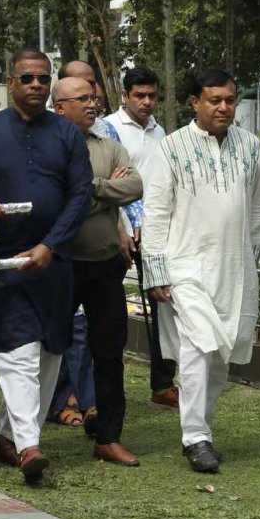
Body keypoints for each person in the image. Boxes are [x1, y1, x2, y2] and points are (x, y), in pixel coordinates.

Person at [0, 48, 92, 485]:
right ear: (11, 82)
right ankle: (30, 447)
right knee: (18, 354)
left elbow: (81, 195)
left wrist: (51, 245)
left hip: (55, 261)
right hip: (6, 261)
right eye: (27, 78)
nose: (35, 84)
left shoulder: (67, 134)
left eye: (42, 78)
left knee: (51, 351)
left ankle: (7, 438)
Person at [142, 70, 260, 473]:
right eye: (214, 100)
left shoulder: (250, 146)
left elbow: (258, 208)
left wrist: (249, 260)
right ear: (195, 102)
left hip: (234, 270)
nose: (223, 107)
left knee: (221, 354)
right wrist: (156, 271)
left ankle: (202, 431)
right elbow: (156, 213)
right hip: (186, 267)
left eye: (230, 100)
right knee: (197, 348)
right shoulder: (172, 146)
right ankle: (195, 438)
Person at [52, 77, 143, 467]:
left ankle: (108, 437)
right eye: (83, 98)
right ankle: (25, 433)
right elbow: (55, 201)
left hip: (105, 266)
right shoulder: (49, 147)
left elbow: (135, 186)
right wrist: (105, 191)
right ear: (60, 107)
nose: (92, 104)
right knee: (46, 348)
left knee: (109, 353)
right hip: (60, 265)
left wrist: (88, 189)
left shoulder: (109, 147)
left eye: (94, 98)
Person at [104, 66, 180, 410]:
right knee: (108, 310)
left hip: (155, 232)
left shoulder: (159, 131)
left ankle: (163, 385)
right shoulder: (109, 128)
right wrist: (122, 225)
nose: (147, 102)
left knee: (163, 304)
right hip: (118, 231)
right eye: (140, 95)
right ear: (125, 95)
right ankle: (102, 391)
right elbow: (112, 183)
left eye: (152, 95)